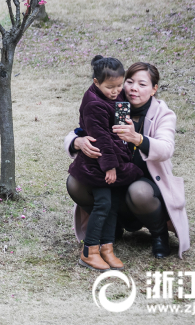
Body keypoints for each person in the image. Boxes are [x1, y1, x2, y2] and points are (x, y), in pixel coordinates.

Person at [65, 62, 190, 259]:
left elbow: (166, 149)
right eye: (130, 82)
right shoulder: (114, 101)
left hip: (145, 185)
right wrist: (77, 142)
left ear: (153, 89)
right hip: (112, 179)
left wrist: (137, 138)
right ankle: (111, 227)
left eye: (142, 84)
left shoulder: (162, 113)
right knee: (75, 182)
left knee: (138, 191)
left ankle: (159, 234)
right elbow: (86, 127)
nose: (134, 88)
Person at [67, 55, 143, 270]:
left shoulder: (116, 98)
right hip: (98, 163)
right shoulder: (94, 104)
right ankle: (89, 251)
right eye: (110, 87)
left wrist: (125, 120)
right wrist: (110, 166)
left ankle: (107, 249)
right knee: (103, 204)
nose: (116, 91)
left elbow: (120, 130)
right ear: (96, 83)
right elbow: (101, 137)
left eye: (120, 85)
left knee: (112, 206)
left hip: (114, 160)